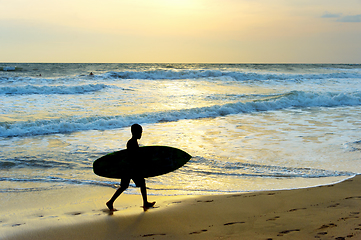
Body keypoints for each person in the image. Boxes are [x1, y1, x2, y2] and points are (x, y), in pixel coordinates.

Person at [106, 124, 155, 211]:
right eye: (140, 132)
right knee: (141, 183)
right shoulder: (131, 143)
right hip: (131, 169)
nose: (141, 134)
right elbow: (133, 157)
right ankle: (145, 203)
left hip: (128, 168)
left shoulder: (133, 142)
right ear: (135, 133)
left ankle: (110, 202)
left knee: (124, 186)